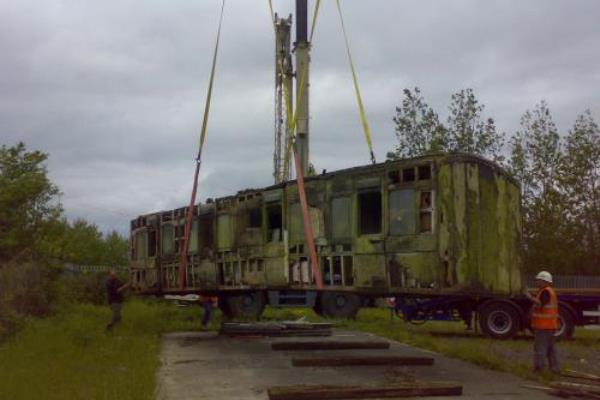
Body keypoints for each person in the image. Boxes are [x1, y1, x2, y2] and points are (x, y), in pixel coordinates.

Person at [524, 270, 560, 373]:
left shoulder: (546, 291)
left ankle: (538, 369)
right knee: (550, 349)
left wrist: (529, 296)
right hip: (550, 326)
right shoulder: (548, 291)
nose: (537, 282)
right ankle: (554, 369)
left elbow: (540, 303)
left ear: (544, 281)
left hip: (543, 326)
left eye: (538, 280)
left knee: (540, 349)